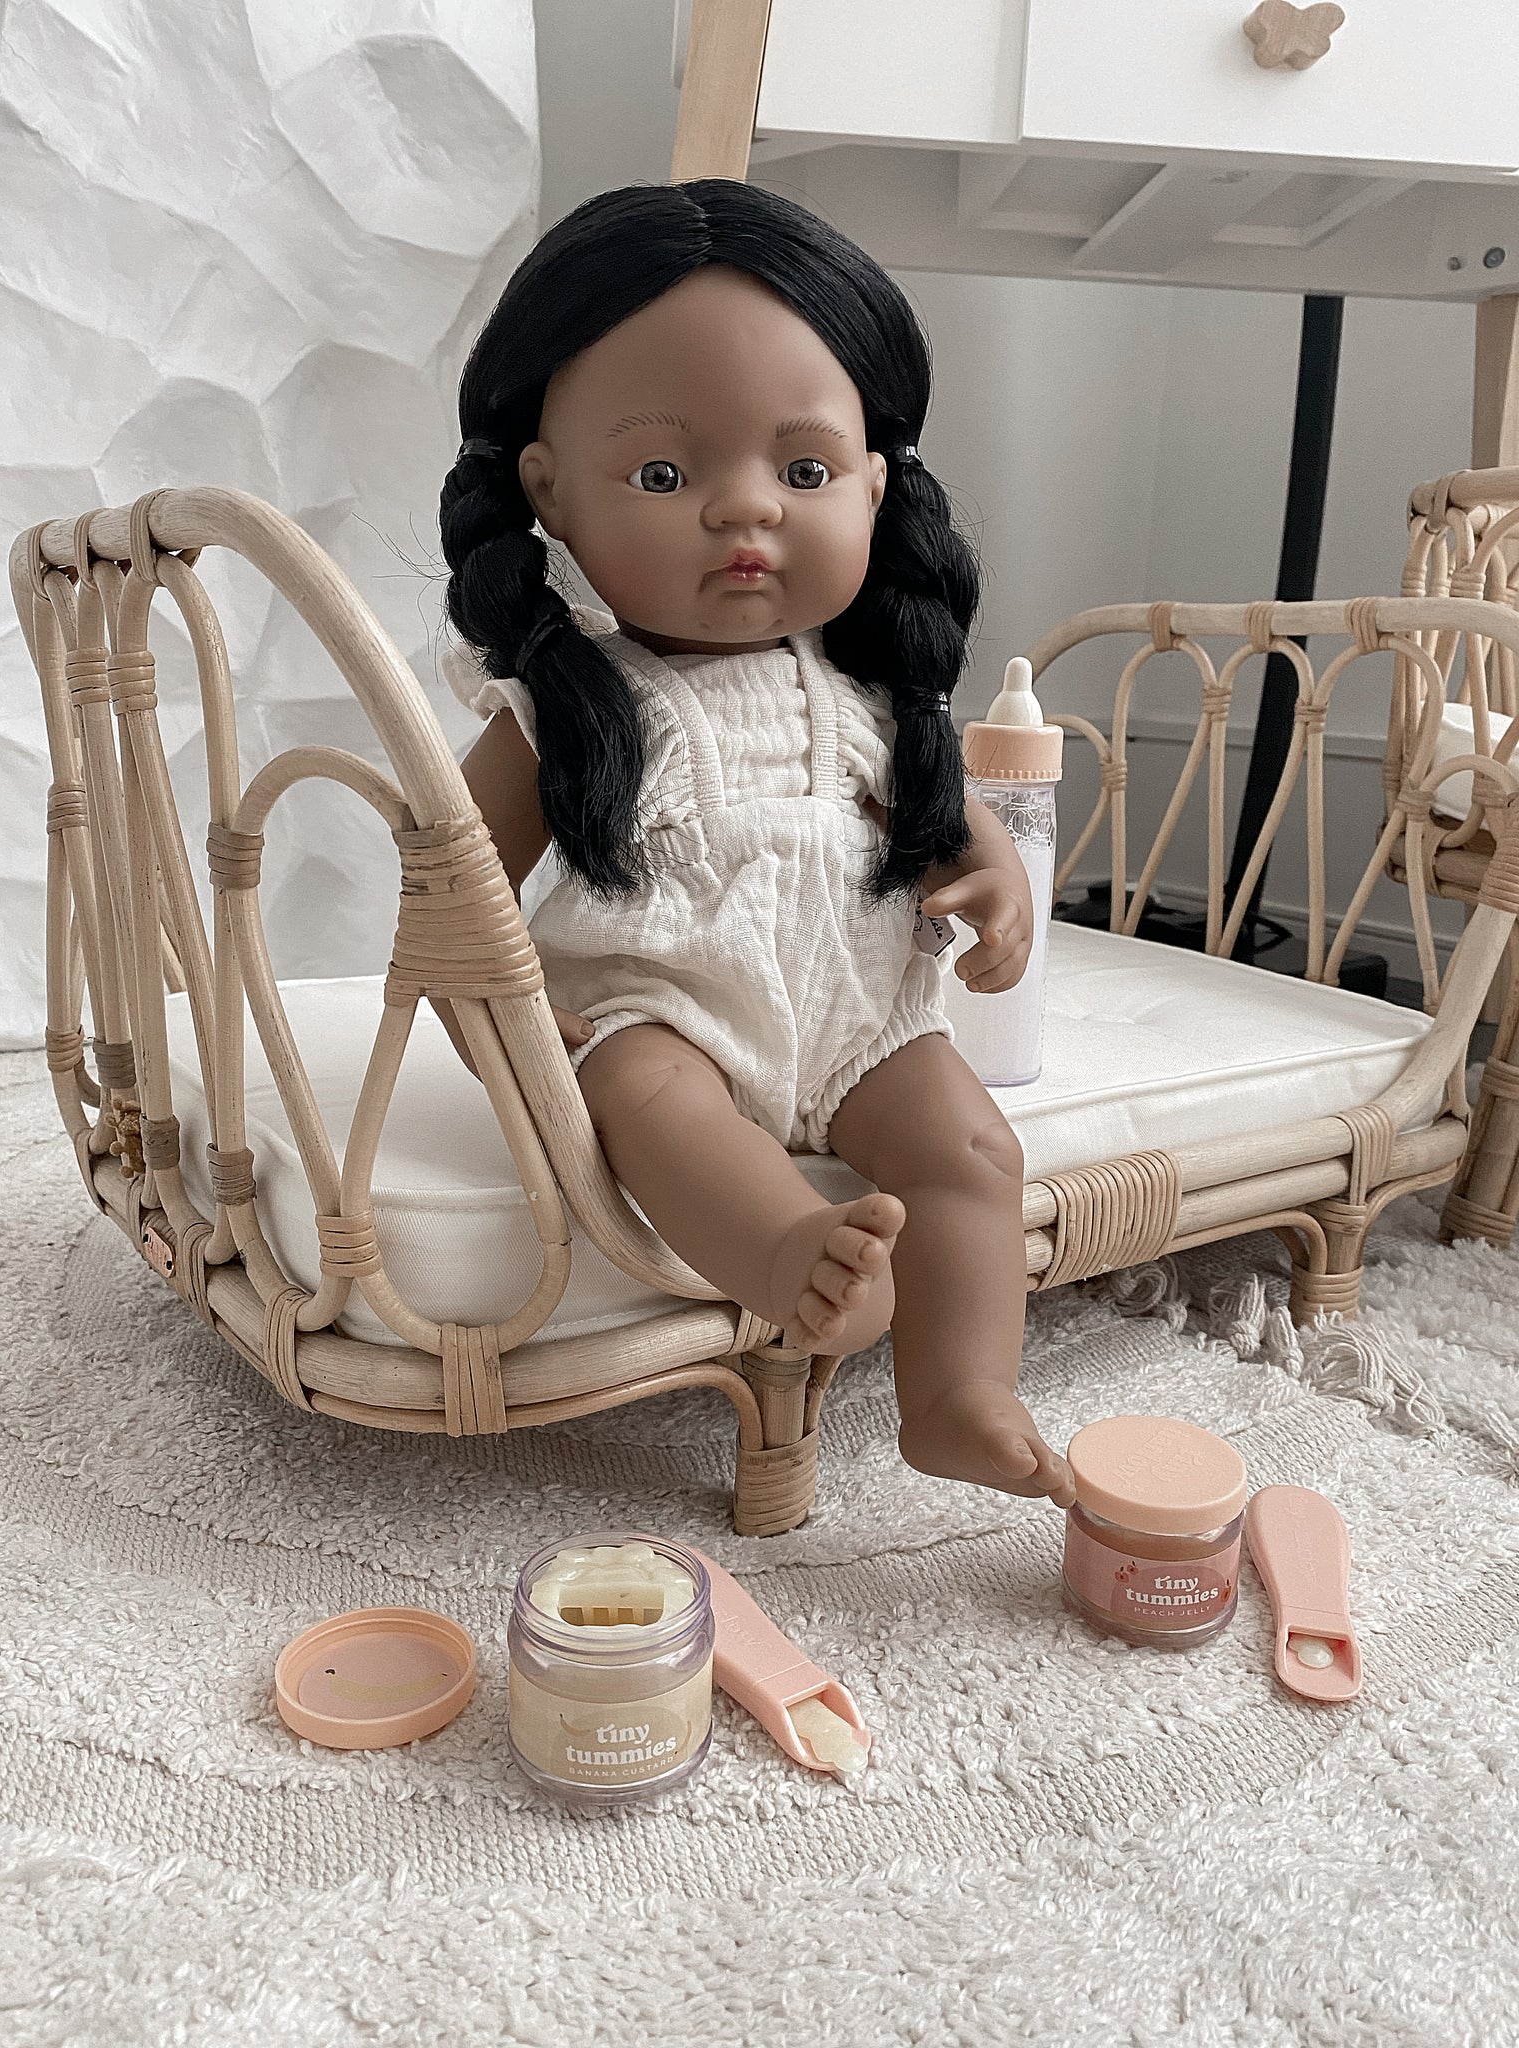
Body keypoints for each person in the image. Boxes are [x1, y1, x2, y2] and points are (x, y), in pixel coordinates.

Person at [434, 179, 1073, 1507]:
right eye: (666, 476)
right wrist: (491, 1005)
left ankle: (960, 1395)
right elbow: (452, 883)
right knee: (648, 1102)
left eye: (804, 471)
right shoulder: (567, 703)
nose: (746, 512)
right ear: (550, 494)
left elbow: (944, 823)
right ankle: (788, 1252)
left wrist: (997, 883)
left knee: (973, 1154)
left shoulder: (869, 698)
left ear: (875, 484)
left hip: (859, 1017)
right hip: (660, 1007)